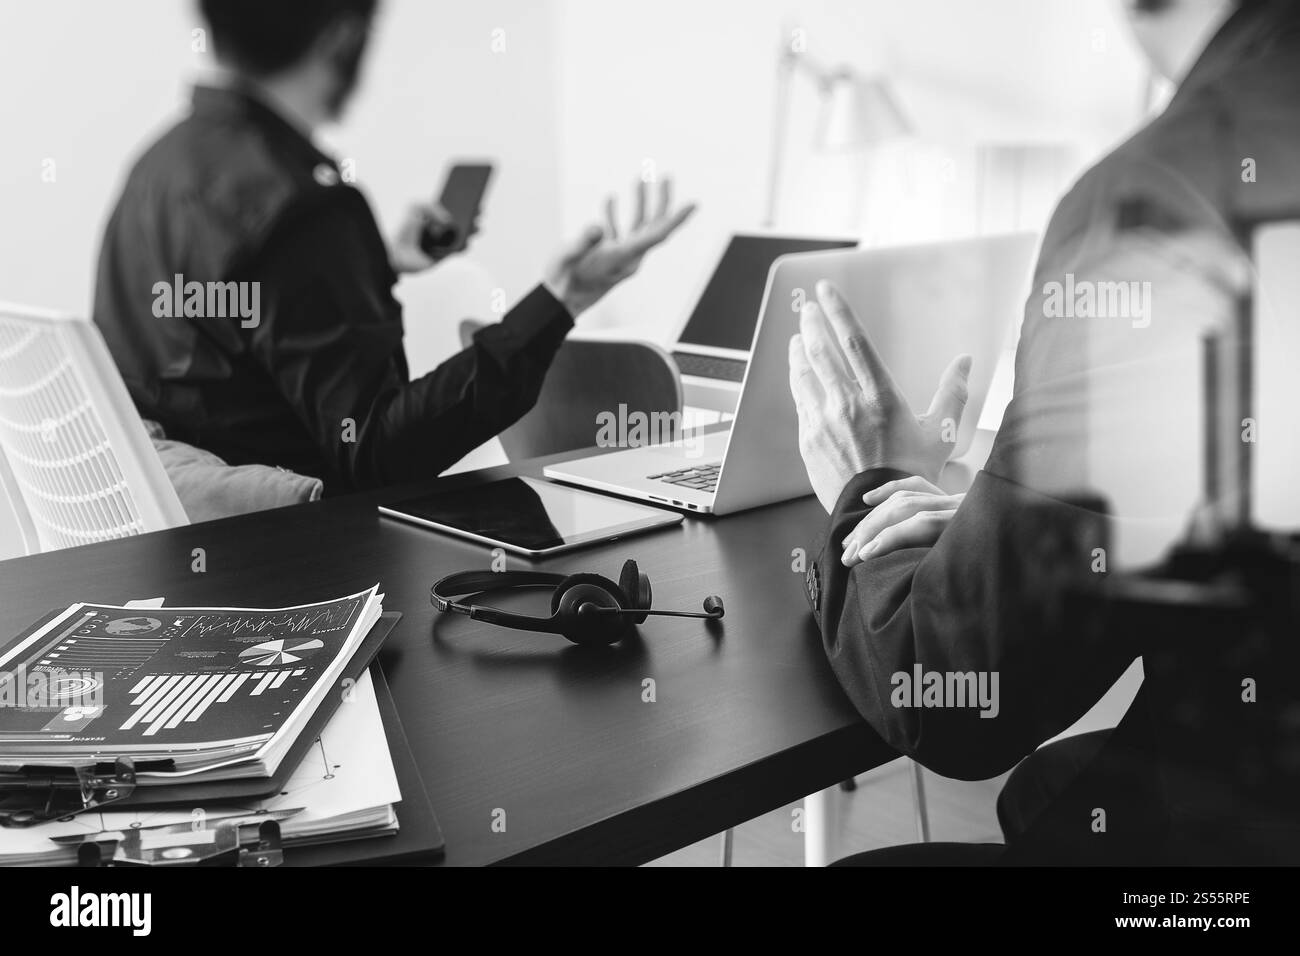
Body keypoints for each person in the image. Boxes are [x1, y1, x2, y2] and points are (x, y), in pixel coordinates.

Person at [791, 0, 1299, 863]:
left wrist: (870, 481)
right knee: (1056, 790)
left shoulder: (1160, 201)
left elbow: (954, 695)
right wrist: (1016, 527)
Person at [93, 0, 693, 494]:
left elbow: (225, 321)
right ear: (342, 37)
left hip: (174, 565)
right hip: (304, 586)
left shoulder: (154, 170)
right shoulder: (307, 207)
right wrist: (561, 299)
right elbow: (379, 451)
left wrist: (367, 264)